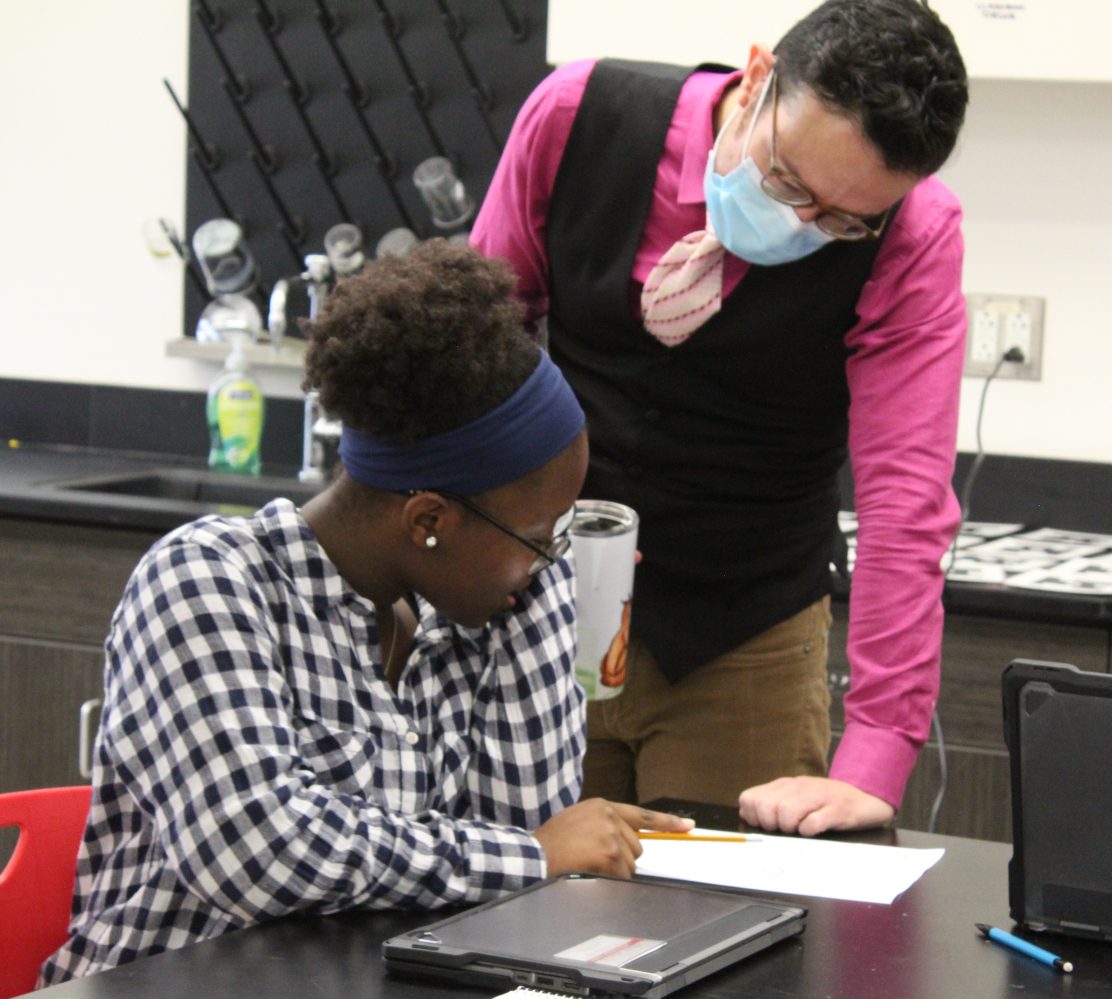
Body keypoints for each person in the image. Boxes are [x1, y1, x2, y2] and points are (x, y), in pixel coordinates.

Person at [41, 241, 690, 984]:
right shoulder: (208, 581)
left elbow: (522, 838)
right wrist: (534, 856)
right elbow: (258, 850)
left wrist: (535, 575)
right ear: (427, 520)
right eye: (540, 539)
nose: (552, 566)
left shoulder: (481, 605)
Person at [472, 0, 969, 834]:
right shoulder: (574, 117)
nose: (803, 224)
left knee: (726, 931)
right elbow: (474, 357)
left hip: (748, 631)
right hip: (539, 606)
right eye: (788, 181)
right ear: (758, 75)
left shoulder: (914, 235)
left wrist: (876, 752)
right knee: (512, 903)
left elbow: (904, 502)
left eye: (845, 221)